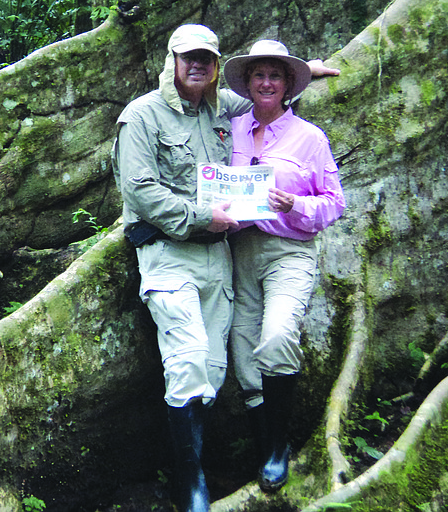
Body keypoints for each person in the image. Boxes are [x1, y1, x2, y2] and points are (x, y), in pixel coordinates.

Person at [112, 26, 338, 511]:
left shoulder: (223, 110)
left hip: (221, 256)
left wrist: (308, 71)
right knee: (190, 357)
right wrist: (201, 217)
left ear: (216, 67)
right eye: (188, 57)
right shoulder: (142, 116)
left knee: (216, 367)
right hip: (170, 251)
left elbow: (268, 97)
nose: (197, 66)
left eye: (206, 59)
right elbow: (140, 192)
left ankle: (261, 451)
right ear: (171, 60)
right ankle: (190, 484)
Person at [222, 40, 346, 493]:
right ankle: (263, 449)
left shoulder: (310, 138)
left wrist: (296, 204)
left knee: (276, 336)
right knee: (242, 350)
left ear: (290, 85)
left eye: (276, 75)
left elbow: (335, 204)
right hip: (237, 253)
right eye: (259, 75)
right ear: (248, 84)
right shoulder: (229, 129)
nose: (267, 83)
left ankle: (279, 449)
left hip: (289, 251)